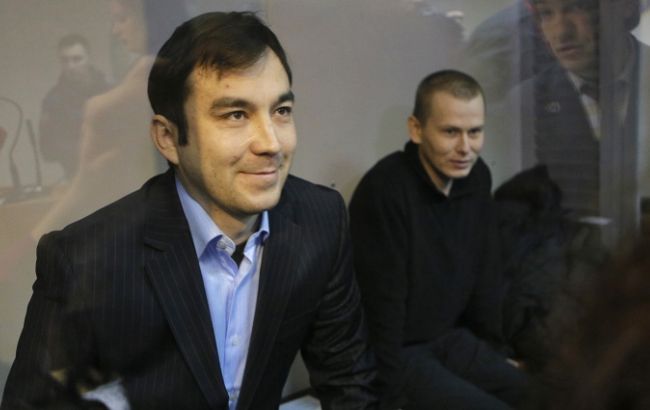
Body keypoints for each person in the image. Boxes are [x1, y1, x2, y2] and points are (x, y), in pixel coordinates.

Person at [1, 11, 376, 410]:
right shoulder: (86, 259)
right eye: (236, 115)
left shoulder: (319, 219)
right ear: (168, 138)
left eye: (281, 111)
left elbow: (349, 381)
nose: (271, 143)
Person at [349, 70, 527, 410]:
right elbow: (380, 309)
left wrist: (495, 352)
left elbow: (485, 273)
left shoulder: (476, 176)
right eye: (450, 132)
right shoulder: (384, 190)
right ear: (416, 129)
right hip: (399, 353)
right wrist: (387, 398)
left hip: (450, 338)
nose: (465, 148)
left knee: (545, 396)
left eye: (475, 132)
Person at [519, 0, 650, 245]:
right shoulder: (522, 106)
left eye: (577, 7)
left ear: (625, 7)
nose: (561, 32)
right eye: (546, 14)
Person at [39, 34, 108, 180]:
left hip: (117, 171)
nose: (71, 66)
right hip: (76, 175)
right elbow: (48, 150)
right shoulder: (53, 101)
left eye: (77, 59)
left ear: (89, 58)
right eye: (65, 61)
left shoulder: (110, 91)